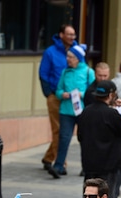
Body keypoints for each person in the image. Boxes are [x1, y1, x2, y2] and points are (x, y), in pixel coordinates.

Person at [77, 80, 121, 198]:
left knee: (89, 197)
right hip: (108, 165)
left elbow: (80, 136)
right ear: (111, 95)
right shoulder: (111, 114)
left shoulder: (86, 112)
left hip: (89, 163)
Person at [39, 24, 78, 177]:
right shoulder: (50, 52)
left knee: (64, 131)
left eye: (73, 34)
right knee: (59, 130)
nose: (72, 37)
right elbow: (43, 74)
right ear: (61, 35)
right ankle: (61, 163)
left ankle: (48, 158)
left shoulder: (77, 51)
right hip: (55, 96)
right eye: (69, 34)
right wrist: (49, 94)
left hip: (71, 99)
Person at [51, 44, 94, 178]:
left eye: (71, 57)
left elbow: (93, 91)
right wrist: (62, 94)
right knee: (64, 138)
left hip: (83, 111)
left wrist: (82, 94)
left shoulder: (88, 72)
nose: (68, 59)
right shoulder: (65, 72)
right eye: (68, 56)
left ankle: (86, 167)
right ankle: (58, 166)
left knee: (85, 139)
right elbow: (58, 90)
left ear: (78, 58)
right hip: (66, 110)